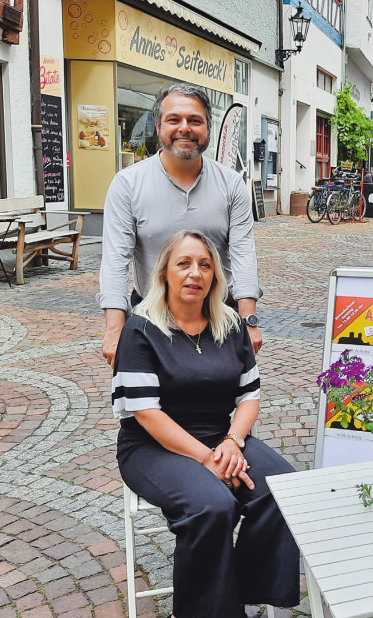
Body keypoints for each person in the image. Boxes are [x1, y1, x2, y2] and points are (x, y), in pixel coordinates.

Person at [113, 229, 300, 616]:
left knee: (284, 491)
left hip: (220, 436)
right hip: (151, 446)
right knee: (212, 507)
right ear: (164, 272)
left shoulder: (230, 323)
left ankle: (244, 596)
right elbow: (146, 413)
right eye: (183, 263)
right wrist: (206, 458)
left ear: (215, 275)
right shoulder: (140, 328)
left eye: (204, 264)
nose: (194, 273)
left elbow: (249, 396)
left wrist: (232, 442)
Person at [99, 83, 262, 368]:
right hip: (151, 316)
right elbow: (115, 260)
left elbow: (243, 254)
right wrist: (115, 327)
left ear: (207, 128)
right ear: (159, 125)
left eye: (195, 120)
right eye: (174, 119)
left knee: (220, 403)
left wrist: (249, 319)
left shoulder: (232, 184)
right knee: (146, 405)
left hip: (218, 315)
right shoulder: (127, 184)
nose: (184, 128)